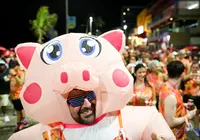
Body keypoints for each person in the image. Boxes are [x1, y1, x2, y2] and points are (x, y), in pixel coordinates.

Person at [9, 30, 175, 140]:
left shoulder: (137, 119)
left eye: (89, 95)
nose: (87, 104)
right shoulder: (45, 134)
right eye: (75, 100)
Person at [159, 61, 197, 140]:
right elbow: (170, 122)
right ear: (183, 74)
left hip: (179, 133)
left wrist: (182, 105)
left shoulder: (166, 85)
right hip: (172, 136)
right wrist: (189, 116)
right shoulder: (170, 96)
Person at [9, 59, 29, 132]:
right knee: (19, 111)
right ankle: (23, 122)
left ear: (17, 66)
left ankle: (19, 125)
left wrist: (14, 74)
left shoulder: (21, 73)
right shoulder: (12, 73)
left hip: (19, 95)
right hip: (13, 96)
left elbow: (21, 82)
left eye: (13, 67)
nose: (12, 69)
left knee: (19, 111)